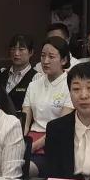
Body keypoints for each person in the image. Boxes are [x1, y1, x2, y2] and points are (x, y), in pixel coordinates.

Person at [22, 37, 74, 168]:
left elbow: (61, 126)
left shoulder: (70, 85)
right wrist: (21, 144)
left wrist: (33, 147)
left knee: (25, 167)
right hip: (31, 138)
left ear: (64, 60)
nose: (45, 61)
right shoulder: (33, 85)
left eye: (51, 57)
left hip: (54, 142)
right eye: (43, 56)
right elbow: (25, 122)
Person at [0, 34, 37, 112]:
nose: (16, 53)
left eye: (21, 49)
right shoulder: (1, 73)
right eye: (13, 49)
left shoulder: (36, 77)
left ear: (31, 52)